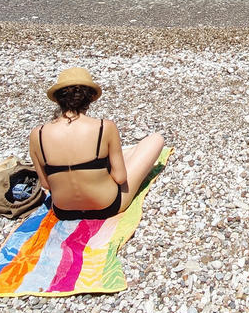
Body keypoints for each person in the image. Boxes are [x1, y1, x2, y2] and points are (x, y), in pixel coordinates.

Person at [29, 67, 166, 220]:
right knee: (156, 139)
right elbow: (120, 178)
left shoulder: (37, 134)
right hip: (107, 206)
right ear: (89, 97)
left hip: (63, 211)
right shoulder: (104, 127)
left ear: (58, 99)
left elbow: (46, 184)